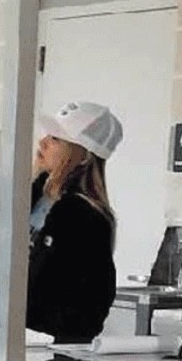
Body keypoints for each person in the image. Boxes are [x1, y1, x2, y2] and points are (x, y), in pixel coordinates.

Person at [28, 100, 123, 344]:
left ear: (82, 156)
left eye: (56, 139)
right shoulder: (36, 195)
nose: (43, 143)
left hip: (53, 345)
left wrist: (64, 341)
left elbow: (96, 293)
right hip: (22, 336)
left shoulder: (83, 215)